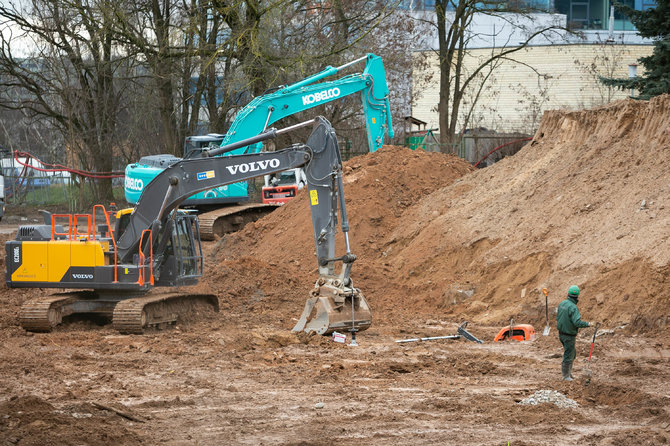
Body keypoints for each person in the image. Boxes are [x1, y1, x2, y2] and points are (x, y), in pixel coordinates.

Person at [556, 285, 593, 381]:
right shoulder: (573, 307)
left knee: (572, 353)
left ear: (568, 294)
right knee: (569, 354)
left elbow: (558, 317)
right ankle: (566, 376)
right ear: (577, 296)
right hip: (569, 335)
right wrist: (588, 324)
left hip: (561, 333)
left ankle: (568, 374)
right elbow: (577, 322)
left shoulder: (562, 303)